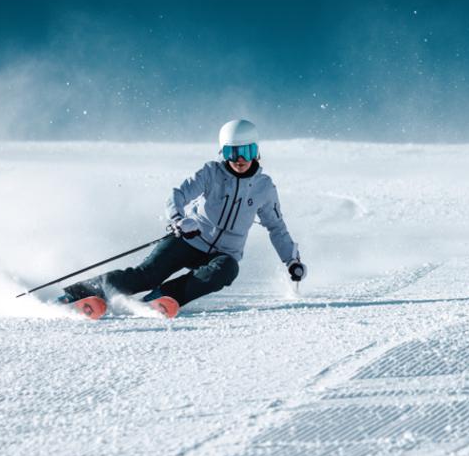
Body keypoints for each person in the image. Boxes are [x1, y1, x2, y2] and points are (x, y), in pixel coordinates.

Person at [58, 119, 307, 319]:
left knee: (227, 269)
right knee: (147, 274)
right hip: (190, 238)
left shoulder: (263, 188)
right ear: (223, 152)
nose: (240, 159)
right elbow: (178, 195)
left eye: (247, 151)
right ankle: (78, 294)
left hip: (223, 253)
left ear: (257, 151)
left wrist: (291, 261)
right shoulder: (211, 173)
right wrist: (178, 220)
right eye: (233, 152)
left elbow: (276, 228)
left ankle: (160, 299)